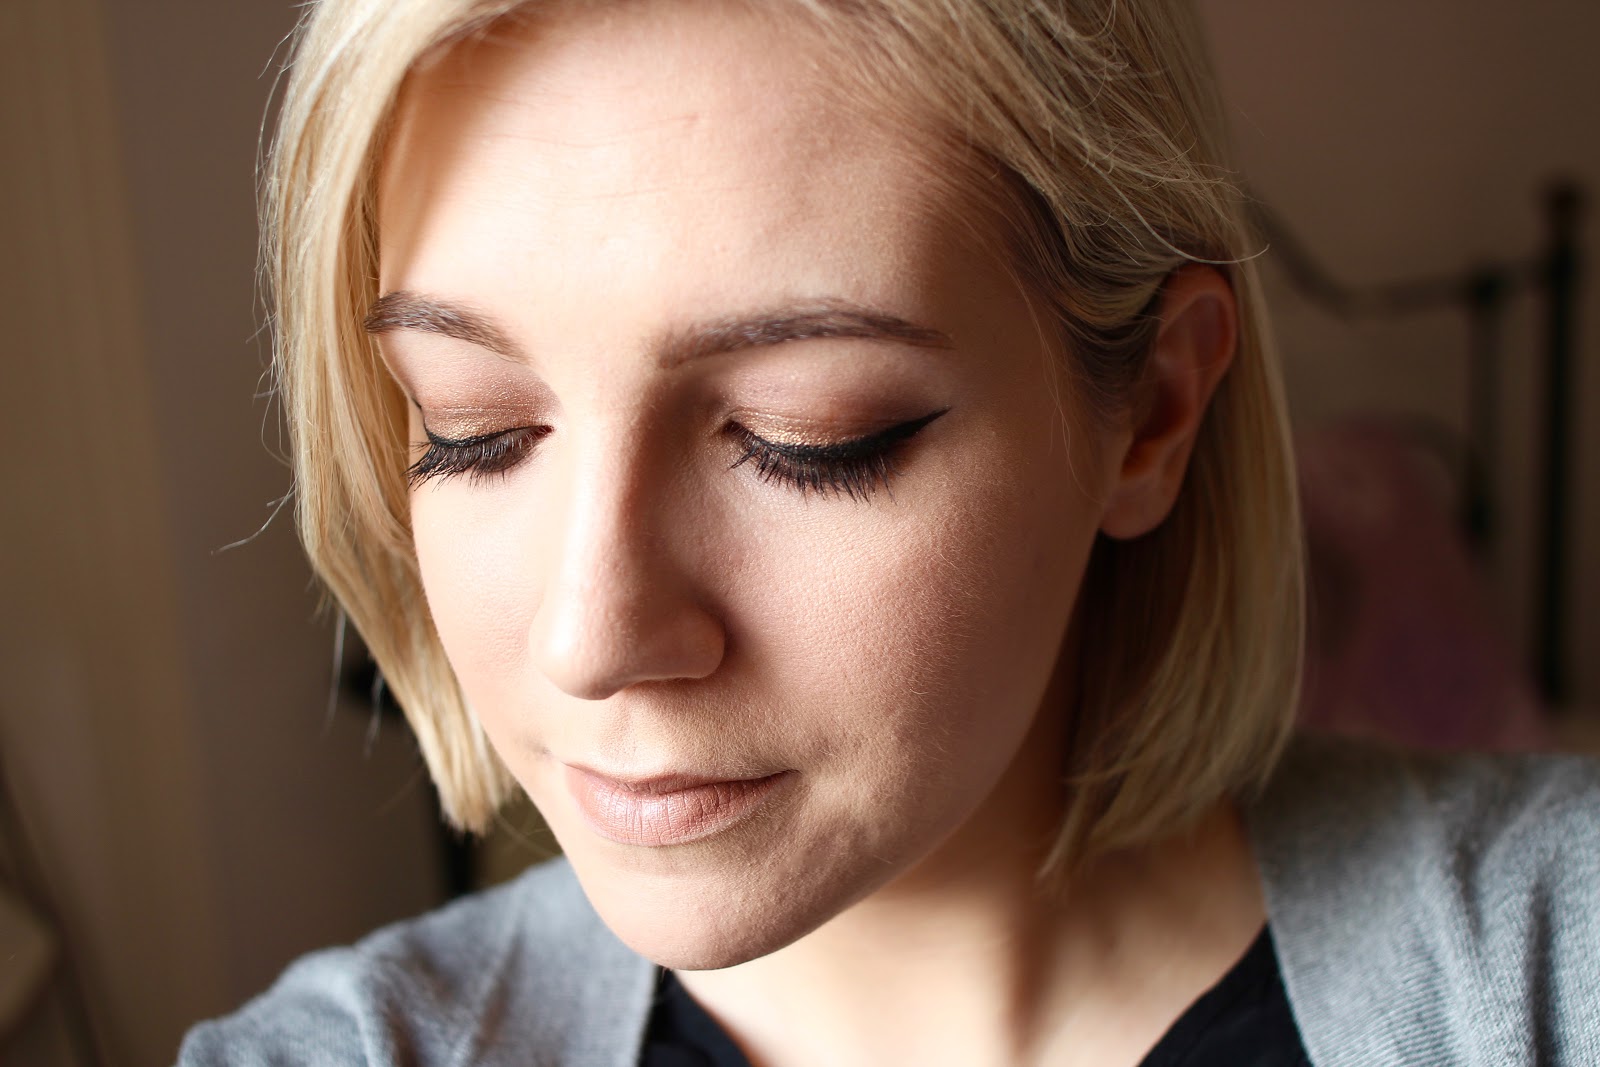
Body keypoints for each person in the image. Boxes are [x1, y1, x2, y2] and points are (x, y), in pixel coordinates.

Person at [180, 0, 1599, 1063]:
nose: (590, 635)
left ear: (1155, 414)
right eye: (471, 426)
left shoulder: (1551, 969)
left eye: (809, 438)